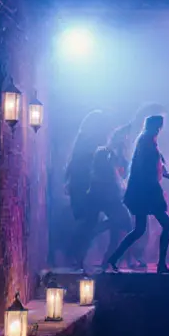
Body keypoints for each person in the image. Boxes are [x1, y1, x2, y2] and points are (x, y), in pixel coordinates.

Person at [104, 115, 169, 273]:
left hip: (144, 192)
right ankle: (161, 264)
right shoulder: (146, 142)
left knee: (140, 229)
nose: (160, 129)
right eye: (159, 126)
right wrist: (153, 188)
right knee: (166, 225)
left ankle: (113, 259)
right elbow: (147, 169)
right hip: (147, 192)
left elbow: (157, 168)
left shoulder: (148, 142)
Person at [74, 123, 134, 268]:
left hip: (111, 196)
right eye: (123, 138)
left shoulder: (119, 156)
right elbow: (103, 174)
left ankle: (108, 261)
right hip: (100, 195)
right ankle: (81, 258)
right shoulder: (103, 152)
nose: (125, 141)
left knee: (124, 224)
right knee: (93, 226)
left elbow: (123, 174)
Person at [65, 110, 111, 268]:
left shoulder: (83, 140)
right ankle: (75, 255)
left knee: (88, 222)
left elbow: (73, 163)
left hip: (82, 187)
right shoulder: (91, 143)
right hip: (85, 187)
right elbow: (85, 165)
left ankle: (77, 257)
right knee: (87, 222)